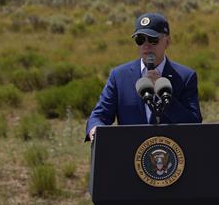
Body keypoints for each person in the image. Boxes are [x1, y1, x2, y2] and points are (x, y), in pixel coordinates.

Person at [85, 12, 202, 141]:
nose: (146, 46)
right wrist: (95, 128)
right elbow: (100, 115)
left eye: (153, 40)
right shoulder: (119, 76)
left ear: (167, 42)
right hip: (129, 154)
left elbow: (194, 122)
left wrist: (162, 92)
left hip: (171, 155)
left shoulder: (185, 77)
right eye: (140, 40)